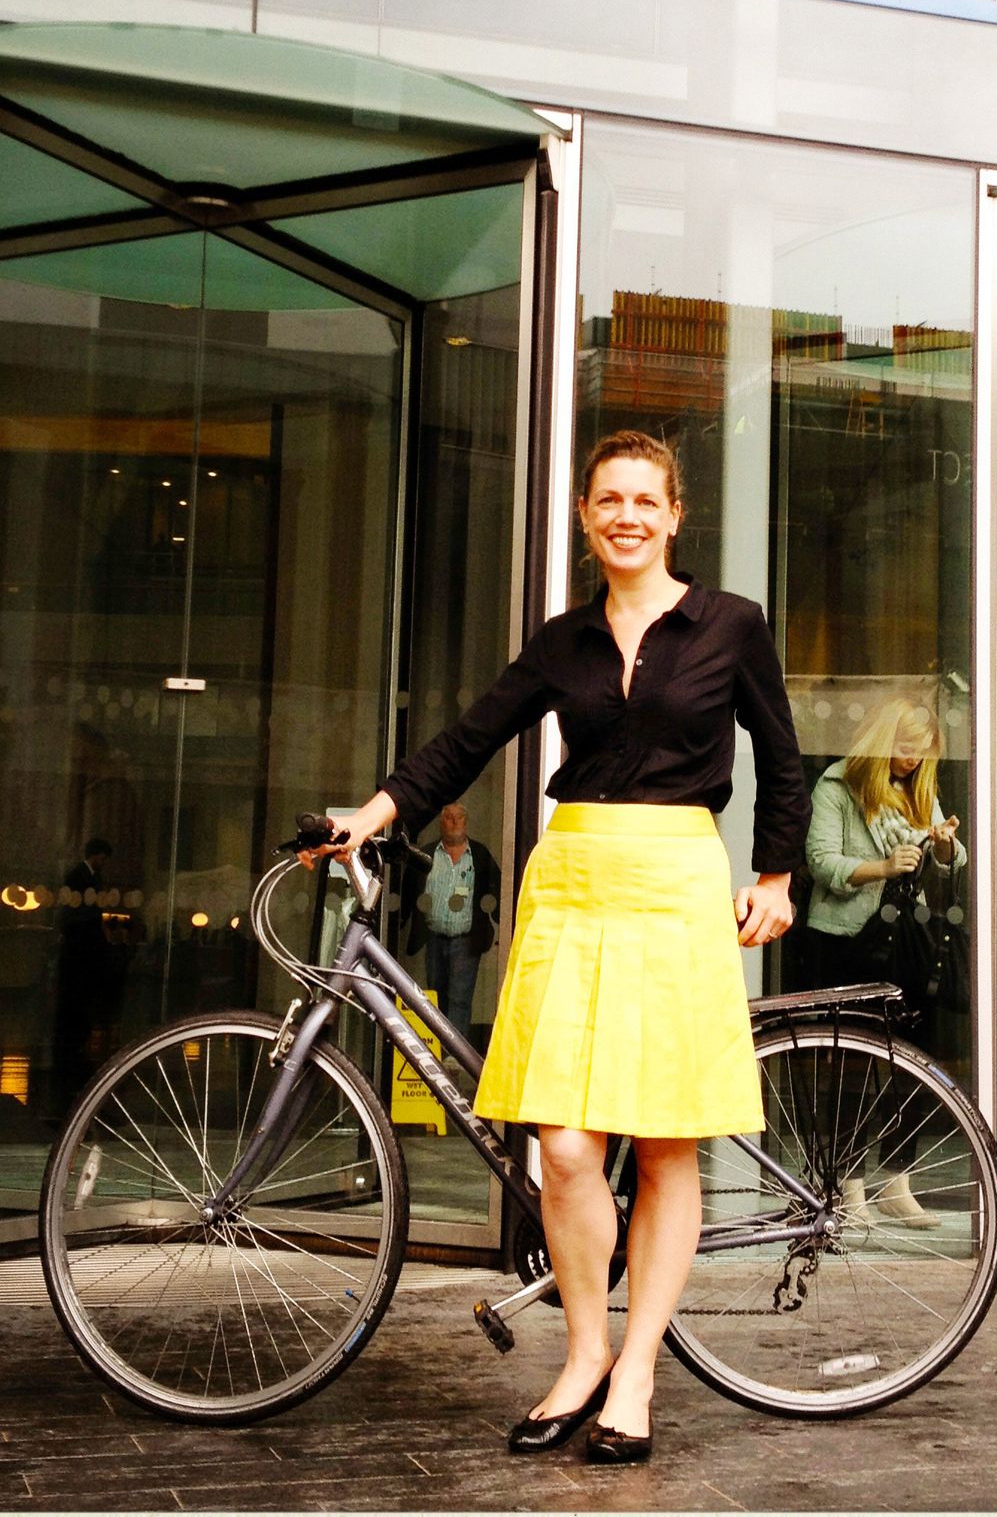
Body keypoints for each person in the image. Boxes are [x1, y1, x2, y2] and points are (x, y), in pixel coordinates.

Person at [314, 429, 809, 1464]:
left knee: (668, 1141)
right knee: (569, 1149)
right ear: (587, 518)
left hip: (675, 882)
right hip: (573, 883)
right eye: (607, 501)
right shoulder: (561, 639)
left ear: (673, 516)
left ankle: (635, 1374)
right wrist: (377, 808)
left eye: (644, 500)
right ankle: (583, 1352)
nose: (626, 515)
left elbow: (781, 751)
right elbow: (467, 736)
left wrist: (772, 872)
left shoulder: (730, 624)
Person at [800, 697, 967, 1227]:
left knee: (913, 1064)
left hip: (905, 943)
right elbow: (821, 862)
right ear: (879, 741)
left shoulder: (919, 790)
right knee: (851, 1063)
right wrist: (881, 866)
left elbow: (949, 862)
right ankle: (848, 1186)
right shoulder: (838, 787)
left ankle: (897, 1180)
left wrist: (943, 843)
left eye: (921, 753)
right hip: (849, 940)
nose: (911, 761)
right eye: (903, 750)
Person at [404, 800, 499, 1043]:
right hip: (434, 937)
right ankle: (435, 1050)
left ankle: (454, 1058)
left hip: (466, 940)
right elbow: (407, 891)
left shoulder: (479, 855)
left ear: (466, 822)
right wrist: (399, 921)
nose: (454, 822)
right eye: (449, 817)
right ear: (441, 822)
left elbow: (497, 889)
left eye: (459, 817)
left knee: (460, 998)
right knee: (434, 997)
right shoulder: (426, 854)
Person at [52, 837, 116, 1112]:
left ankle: (75, 1038)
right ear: (97, 855)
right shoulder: (78, 876)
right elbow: (78, 913)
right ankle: (72, 1039)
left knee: (81, 993)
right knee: (77, 992)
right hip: (81, 946)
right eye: (103, 857)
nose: (104, 862)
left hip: (84, 946)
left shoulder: (90, 876)